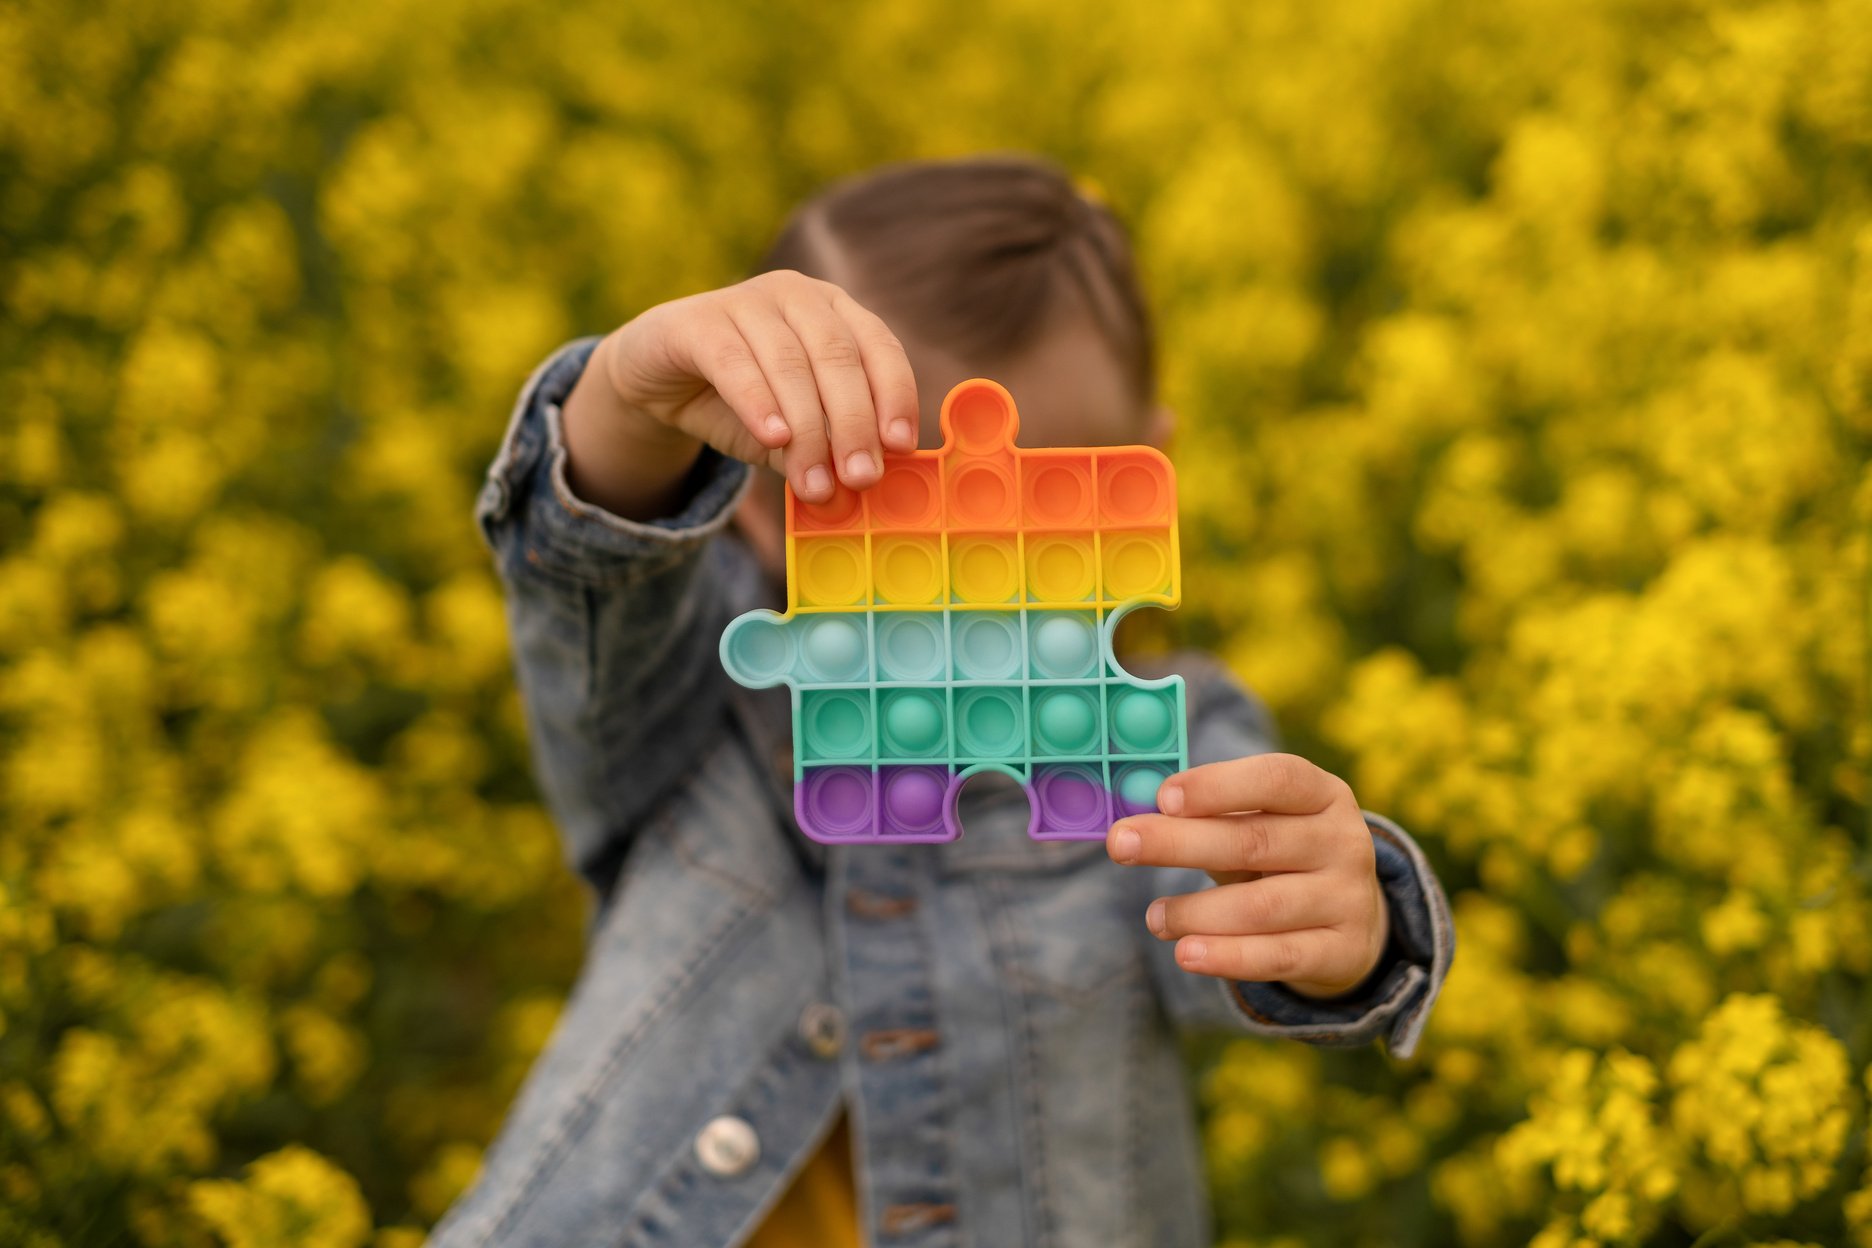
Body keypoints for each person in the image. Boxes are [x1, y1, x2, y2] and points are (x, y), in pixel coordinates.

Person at [429, 152, 1454, 1248]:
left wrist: (1352, 925)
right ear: (764, 516)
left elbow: (1234, 934)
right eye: (905, 518)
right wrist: (627, 400)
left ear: (1150, 489)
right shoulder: (695, 704)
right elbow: (587, 578)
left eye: (1054, 514)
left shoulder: (1165, 751)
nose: (985, 586)